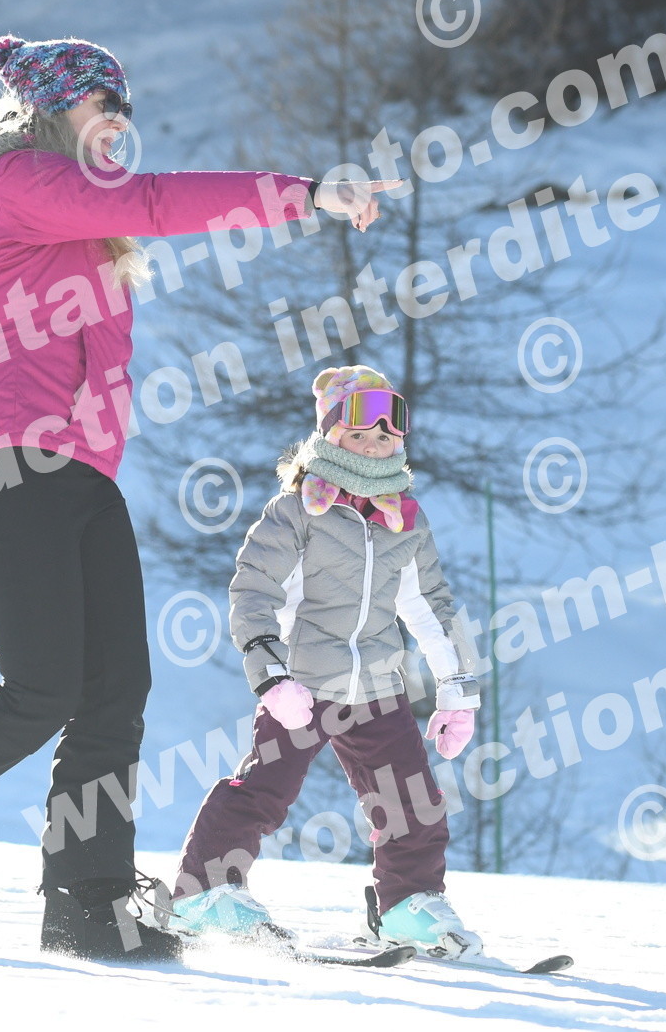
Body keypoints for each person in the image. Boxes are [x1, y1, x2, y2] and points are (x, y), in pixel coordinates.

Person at [0, 34, 401, 963]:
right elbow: (158, 201)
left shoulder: (82, 219)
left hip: (79, 472)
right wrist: (305, 193)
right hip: (6, 466)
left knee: (115, 688)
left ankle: (89, 900)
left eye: (126, 108)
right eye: (102, 104)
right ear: (53, 109)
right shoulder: (20, 183)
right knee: (41, 688)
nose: (119, 121)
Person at [167, 365, 487, 958]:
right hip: (304, 684)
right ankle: (205, 891)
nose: (373, 446)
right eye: (358, 435)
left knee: (413, 801)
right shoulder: (295, 513)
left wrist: (456, 691)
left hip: (377, 686)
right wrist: (271, 675)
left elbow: (432, 607)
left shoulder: (404, 520)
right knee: (265, 789)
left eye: (385, 437)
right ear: (330, 436)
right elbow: (254, 591)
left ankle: (407, 904)